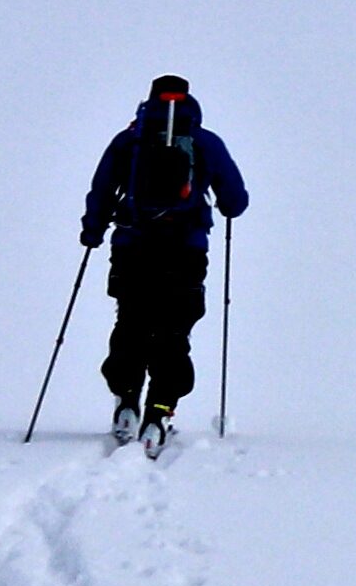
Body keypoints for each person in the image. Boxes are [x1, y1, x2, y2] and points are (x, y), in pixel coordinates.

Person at [83, 74, 250, 443]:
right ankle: (160, 410)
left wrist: (92, 231)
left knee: (131, 320)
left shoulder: (129, 140)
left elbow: (100, 190)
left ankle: (127, 401)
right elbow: (235, 201)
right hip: (186, 248)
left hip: (133, 245)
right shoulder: (205, 142)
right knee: (174, 327)